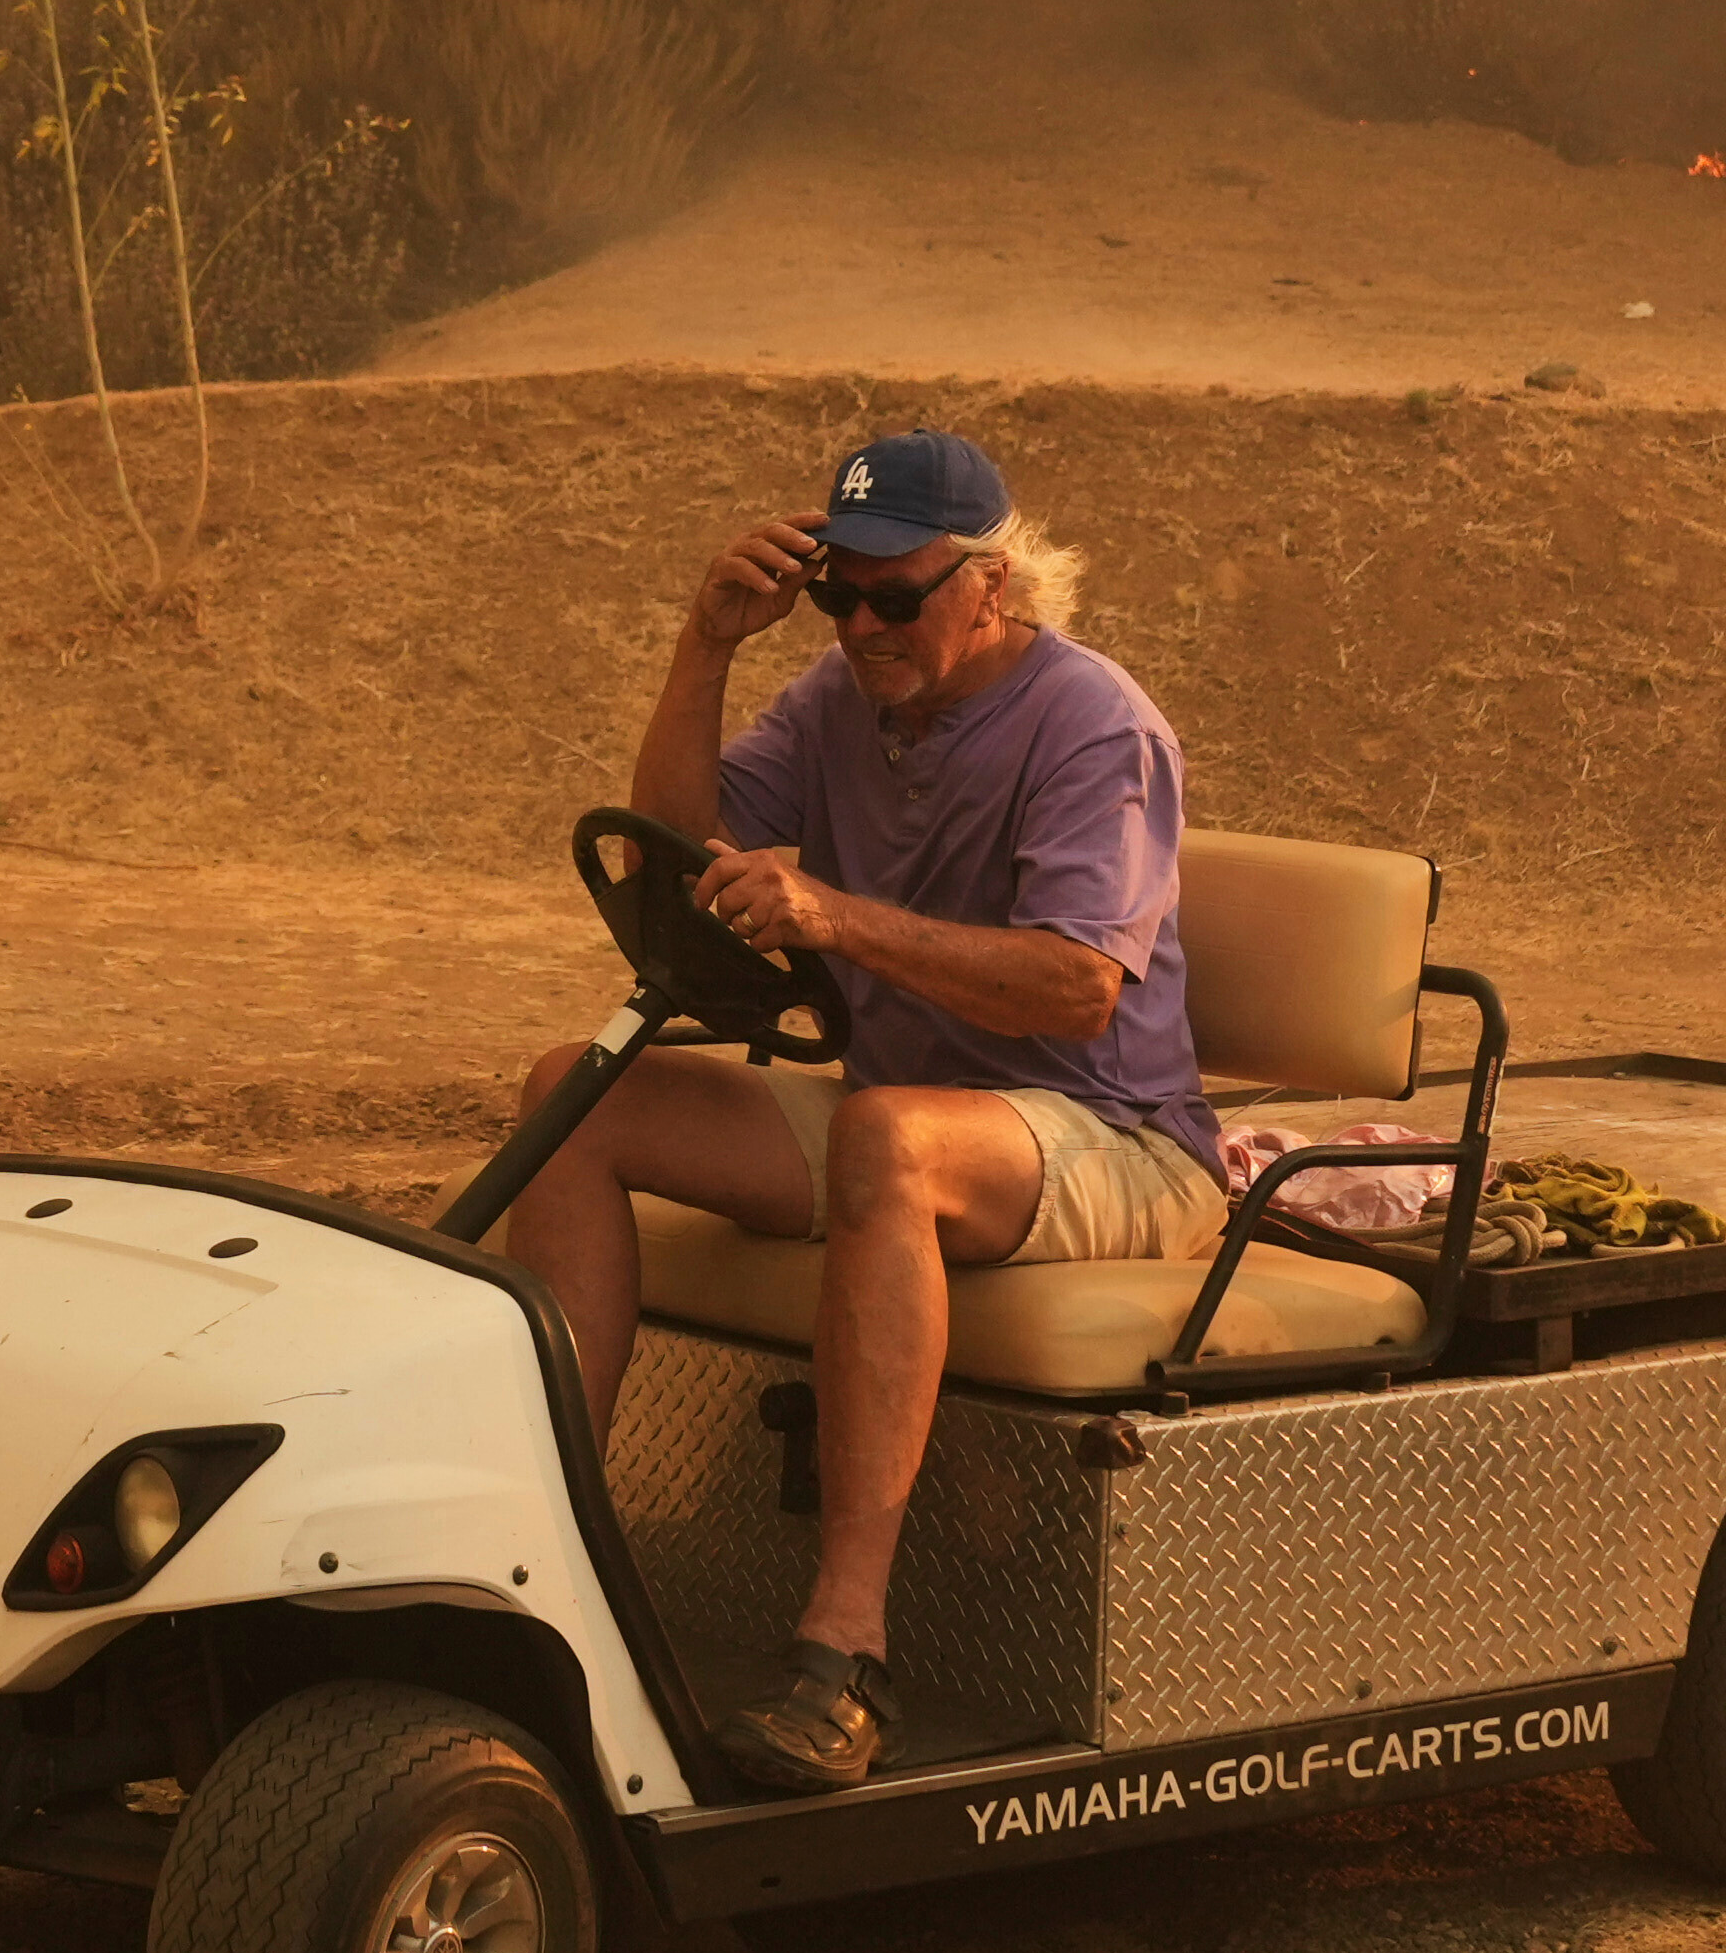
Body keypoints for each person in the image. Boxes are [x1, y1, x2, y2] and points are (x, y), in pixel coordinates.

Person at [487, 424, 1214, 1794]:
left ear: (993, 584)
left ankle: (843, 1647)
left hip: (1110, 1133)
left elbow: (1075, 988)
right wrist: (704, 642)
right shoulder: (838, 698)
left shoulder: (1092, 722)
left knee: (887, 1139)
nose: (863, 624)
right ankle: (542, 1541)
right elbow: (673, 835)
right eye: (839, 591)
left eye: (897, 595)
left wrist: (831, 915)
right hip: (920, 1111)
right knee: (570, 1094)